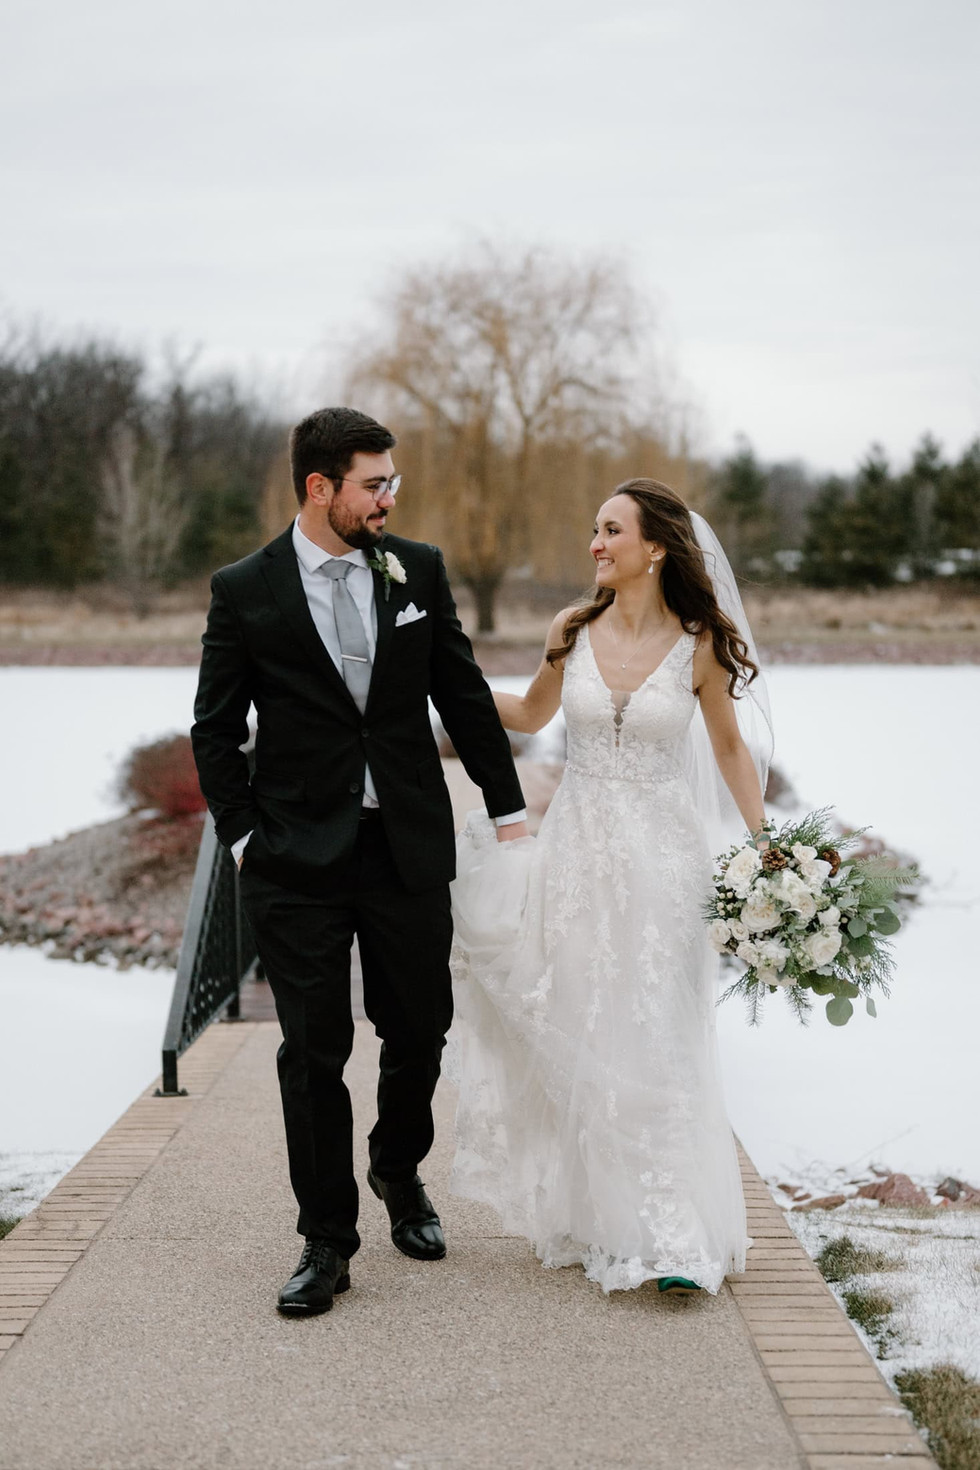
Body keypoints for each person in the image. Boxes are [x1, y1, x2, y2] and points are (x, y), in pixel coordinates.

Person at [191, 407, 527, 1315]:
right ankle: (325, 1242)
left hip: (404, 844)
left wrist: (508, 809)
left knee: (418, 1027)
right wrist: (244, 835)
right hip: (294, 857)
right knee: (313, 1051)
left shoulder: (414, 568)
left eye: (394, 485)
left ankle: (396, 1169)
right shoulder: (245, 589)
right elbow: (215, 730)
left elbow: (459, 691)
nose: (390, 499)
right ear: (319, 487)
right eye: (374, 485)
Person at [449, 479, 773, 1295]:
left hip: (665, 864)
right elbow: (527, 713)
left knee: (657, 1032)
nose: (595, 545)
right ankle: (599, 1218)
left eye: (611, 530)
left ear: (655, 546)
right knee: (586, 1023)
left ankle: (673, 1236)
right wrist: (440, 685)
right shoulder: (573, 629)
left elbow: (731, 750)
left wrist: (768, 844)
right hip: (578, 857)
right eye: (593, 531)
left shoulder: (700, 642)